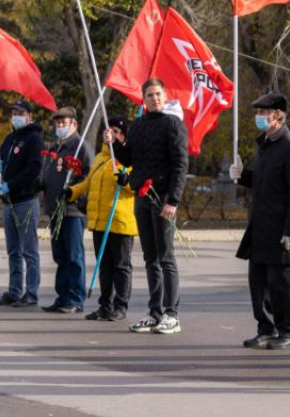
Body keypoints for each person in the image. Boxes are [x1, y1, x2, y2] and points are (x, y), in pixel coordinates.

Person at [106, 78, 188, 335]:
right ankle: (155, 313)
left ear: (165, 96)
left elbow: (180, 164)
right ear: (143, 99)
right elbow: (131, 158)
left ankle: (171, 314)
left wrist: (173, 200)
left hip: (163, 198)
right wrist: (115, 144)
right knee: (150, 257)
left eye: (158, 94)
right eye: (150, 95)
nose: (155, 98)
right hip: (141, 198)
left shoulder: (173, 124)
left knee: (166, 257)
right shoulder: (139, 125)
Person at [230, 91, 290, 351]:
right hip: (261, 227)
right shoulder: (264, 144)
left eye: (263, 113)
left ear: (277, 115)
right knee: (259, 283)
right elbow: (265, 182)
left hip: (283, 229)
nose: (259, 117)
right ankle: (266, 328)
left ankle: (288, 330)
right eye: (258, 112)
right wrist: (243, 176)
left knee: (283, 285)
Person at [68, 116, 136, 321]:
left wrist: (125, 180)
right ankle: (105, 305)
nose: (111, 134)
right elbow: (88, 183)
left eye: (116, 131)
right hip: (99, 222)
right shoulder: (99, 158)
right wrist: (71, 192)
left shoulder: (129, 157)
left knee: (121, 267)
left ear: (122, 136)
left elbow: (135, 186)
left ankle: (120, 306)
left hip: (120, 221)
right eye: (109, 131)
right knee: (104, 266)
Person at [0, 100, 44, 308]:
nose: (16, 116)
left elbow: (34, 169)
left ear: (29, 116)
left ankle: (31, 293)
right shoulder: (10, 138)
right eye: (14, 112)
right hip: (10, 203)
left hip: (26, 201)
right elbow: (3, 163)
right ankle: (14, 291)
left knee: (29, 251)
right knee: (13, 250)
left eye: (20, 113)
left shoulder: (34, 139)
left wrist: (11, 184)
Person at [41, 106, 93, 314]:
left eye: (64, 122)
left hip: (71, 211)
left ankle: (75, 299)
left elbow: (89, 177)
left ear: (74, 124)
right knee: (60, 255)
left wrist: (75, 193)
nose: (60, 125)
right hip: (55, 209)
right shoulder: (55, 147)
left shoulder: (81, 147)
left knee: (73, 256)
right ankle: (62, 296)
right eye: (58, 122)